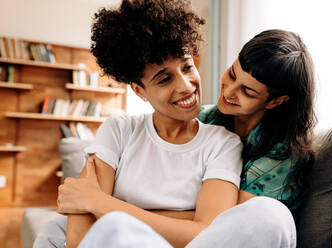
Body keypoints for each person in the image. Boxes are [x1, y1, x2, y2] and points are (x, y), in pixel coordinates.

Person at [34, 1, 314, 248]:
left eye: (187, 67)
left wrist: (100, 204)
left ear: (276, 101)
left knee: (271, 215)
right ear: (139, 90)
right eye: (164, 79)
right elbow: (78, 239)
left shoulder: (227, 142)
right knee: (58, 230)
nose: (185, 86)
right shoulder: (119, 130)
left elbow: (215, 229)